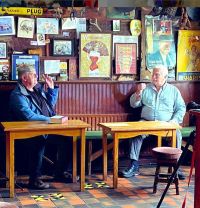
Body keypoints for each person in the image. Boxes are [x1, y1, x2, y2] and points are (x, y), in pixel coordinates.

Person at [9, 65, 71, 189]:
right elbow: (28, 116)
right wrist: (51, 120)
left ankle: (59, 173)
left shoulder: (37, 89)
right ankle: (35, 179)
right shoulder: (17, 95)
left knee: (67, 139)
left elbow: (49, 106)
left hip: (47, 128)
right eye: (33, 74)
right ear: (24, 77)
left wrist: (52, 89)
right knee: (38, 141)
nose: (37, 77)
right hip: (29, 131)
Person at [121, 65, 186, 180]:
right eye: (153, 74)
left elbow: (181, 108)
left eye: (157, 74)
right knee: (136, 133)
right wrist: (138, 93)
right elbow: (133, 104)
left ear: (165, 77)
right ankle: (134, 165)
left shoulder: (173, 91)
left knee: (176, 134)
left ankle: (176, 166)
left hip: (166, 124)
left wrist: (174, 121)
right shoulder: (145, 89)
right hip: (146, 122)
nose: (154, 77)